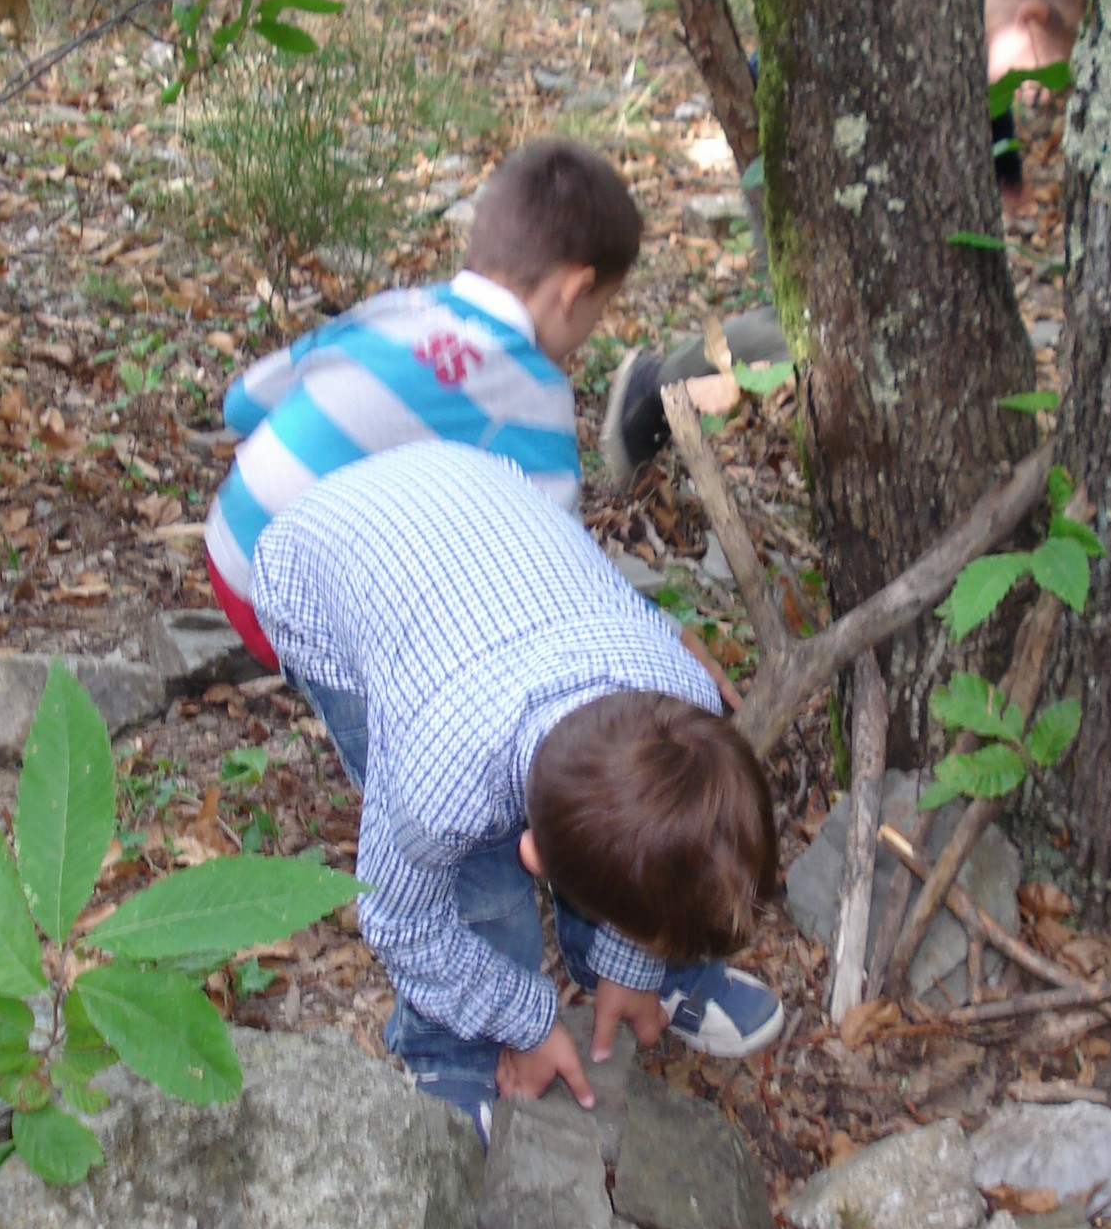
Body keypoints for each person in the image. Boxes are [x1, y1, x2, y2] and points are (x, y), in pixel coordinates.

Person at [249, 439, 789, 1134]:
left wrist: (632, 961)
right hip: (320, 567)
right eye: (656, 940)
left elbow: (665, 828)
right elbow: (400, 921)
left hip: (482, 520)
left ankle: (612, 964)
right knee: (477, 891)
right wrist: (527, 1020)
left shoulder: (684, 695)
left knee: (651, 836)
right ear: (534, 854)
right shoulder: (435, 790)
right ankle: (447, 1040)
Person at [204, 135, 640, 742]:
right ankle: (391, 780)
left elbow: (243, 402)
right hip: (282, 599)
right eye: (602, 309)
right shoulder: (530, 389)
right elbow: (555, 570)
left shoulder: (399, 307)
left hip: (229, 538)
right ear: (575, 291)